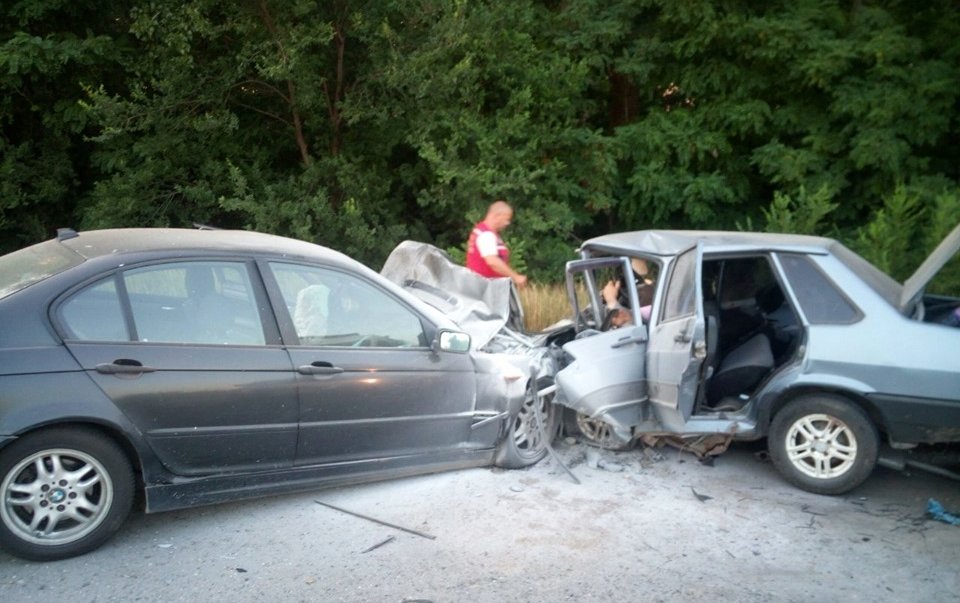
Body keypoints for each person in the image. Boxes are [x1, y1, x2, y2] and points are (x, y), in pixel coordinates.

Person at [465, 200, 527, 288]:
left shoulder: (482, 231)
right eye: (506, 219)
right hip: (483, 288)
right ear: (497, 216)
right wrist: (515, 277)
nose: (507, 223)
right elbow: (492, 261)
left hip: (483, 287)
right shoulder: (486, 235)